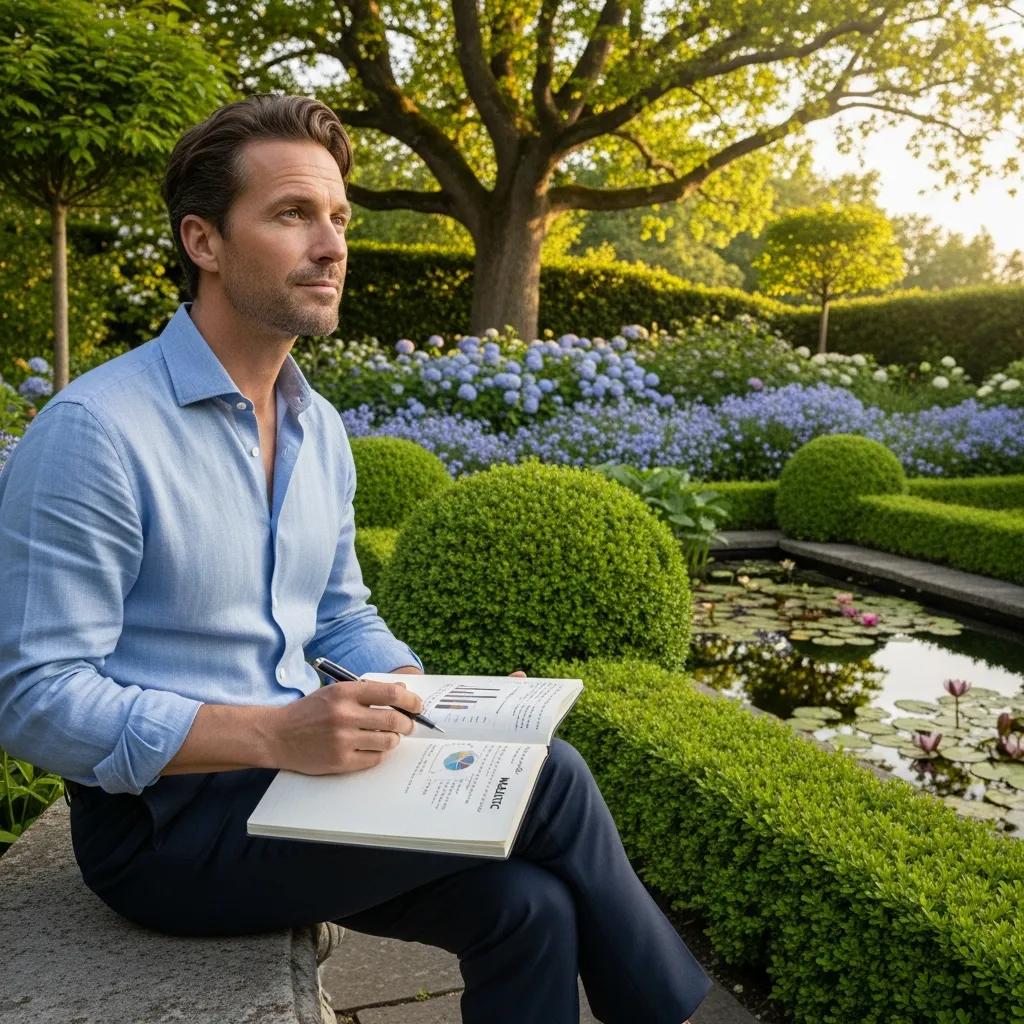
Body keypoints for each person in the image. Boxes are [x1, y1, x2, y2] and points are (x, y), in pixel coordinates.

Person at [0, 95, 710, 1023]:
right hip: (165, 833)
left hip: (296, 790)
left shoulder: (319, 429)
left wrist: (435, 697)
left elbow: (338, 614)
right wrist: (267, 734)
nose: (332, 244)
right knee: (556, 779)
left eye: (338, 217)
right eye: (293, 214)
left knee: (527, 909)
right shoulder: (94, 433)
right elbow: (34, 699)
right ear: (203, 242)